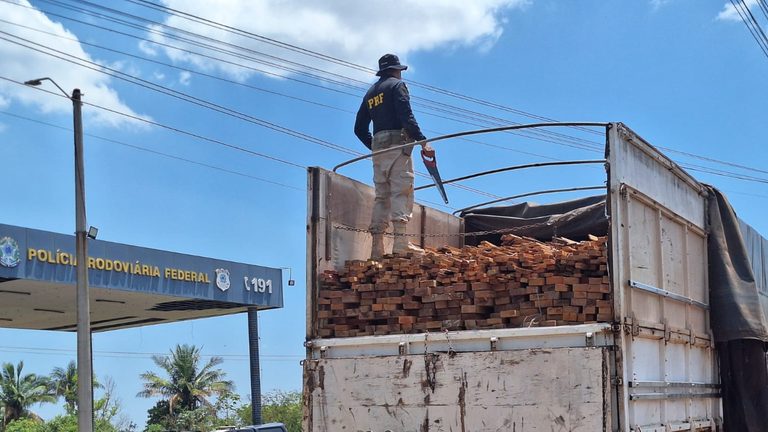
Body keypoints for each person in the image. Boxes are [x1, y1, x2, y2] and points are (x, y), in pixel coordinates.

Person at [354, 53, 435, 261]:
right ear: (397, 70)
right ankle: (400, 242)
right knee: (402, 189)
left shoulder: (370, 93)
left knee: (382, 195)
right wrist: (423, 142)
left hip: (378, 149)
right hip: (398, 144)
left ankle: (376, 249)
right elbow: (406, 116)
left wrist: (374, 146)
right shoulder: (397, 86)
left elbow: (359, 128)